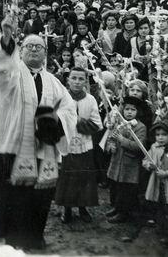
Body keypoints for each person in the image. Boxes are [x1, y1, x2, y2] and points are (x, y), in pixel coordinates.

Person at [0, 24, 77, 250]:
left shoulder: (52, 80)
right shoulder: (12, 73)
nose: (34, 50)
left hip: (43, 148)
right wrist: (7, 40)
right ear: (20, 51)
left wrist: (56, 120)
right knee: (14, 196)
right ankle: (14, 240)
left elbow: (69, 107)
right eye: (29, 46)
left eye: (39, 47)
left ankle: (34, 235)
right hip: (14, 147)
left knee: (40, 195)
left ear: (45, 54)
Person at [55, 67, 102, 224]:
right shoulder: (61, 99)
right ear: (68, 80)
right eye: (73, 78)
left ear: (85, 81)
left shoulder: (90, 100)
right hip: (66, 144)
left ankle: (83, 207)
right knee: (67, 177)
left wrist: (79, 121)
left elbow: (97, 124)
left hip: (84, 144)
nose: (77, 82)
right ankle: (66, 208)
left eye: (81, 79)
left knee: (84, 176)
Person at [105, 96, 147, 223]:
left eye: (133, 110)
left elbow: (138, 146)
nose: (129, 112)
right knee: (117, 186)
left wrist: (122, 140)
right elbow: (111, 138)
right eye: (127, 109)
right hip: (117, 161)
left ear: (137, 112)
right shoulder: (119, 124)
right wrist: (111, 145)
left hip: (130, 164)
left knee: (126, 190)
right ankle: (117, 208)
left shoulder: (140, 127)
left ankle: (124, 213)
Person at [143, 120, 168, 245]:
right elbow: (145, 159)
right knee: (159, 206)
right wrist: (149, 165)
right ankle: (161, 228)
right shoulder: (154, 147)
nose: (160, 138)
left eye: (164, 134)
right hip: (157, 183)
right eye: (157, 134)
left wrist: (167, 173)